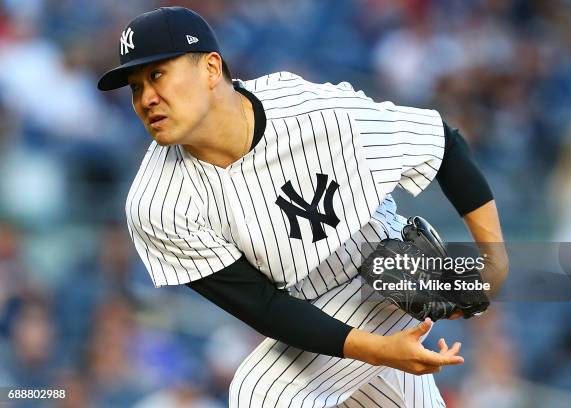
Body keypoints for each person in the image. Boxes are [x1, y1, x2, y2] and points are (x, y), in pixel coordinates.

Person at [97, 7, 509, 407]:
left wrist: (495, 259)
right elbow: (264, 307)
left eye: (157, 75)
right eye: (135, 87)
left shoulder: (311, 113)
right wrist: (377, 350)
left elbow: (441, 142)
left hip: (389, 275)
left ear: (210, 69)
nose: (147, 98)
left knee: (265, 393)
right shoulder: (158, 204)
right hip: (304, 311)